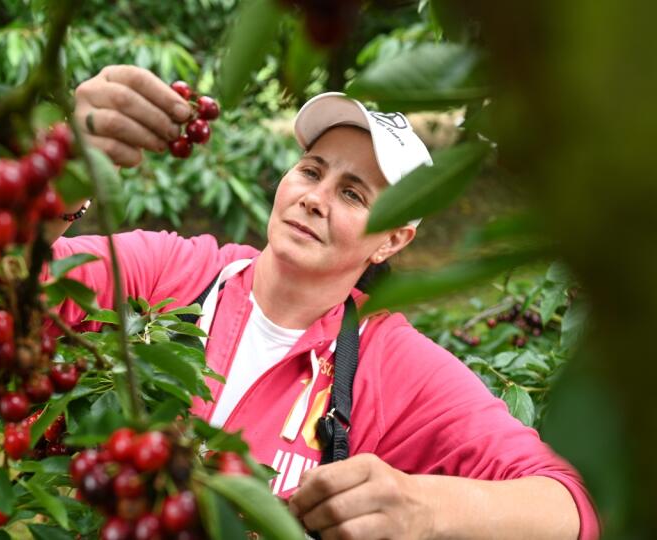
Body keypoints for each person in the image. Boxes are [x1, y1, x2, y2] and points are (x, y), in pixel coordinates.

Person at [44, 65, 599, 540]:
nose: (314, 198)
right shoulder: (173, 273)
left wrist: (424, 508)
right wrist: (68, 167)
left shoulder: (391, 365)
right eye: (311, 170)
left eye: (353, 194)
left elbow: (569, 508)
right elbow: (0, 278)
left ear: (392, 240)